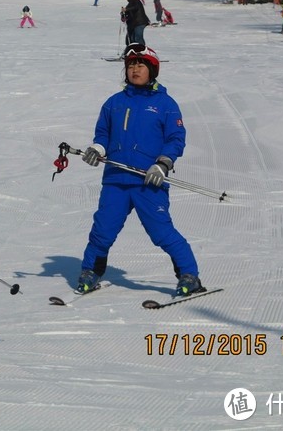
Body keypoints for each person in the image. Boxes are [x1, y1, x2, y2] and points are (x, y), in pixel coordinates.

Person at [78, 43, 201, 297]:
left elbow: (176, 138)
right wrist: (98, 149)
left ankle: (189, 275)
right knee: (103, 230)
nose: (135, 69)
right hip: (116, 180)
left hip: (149, 180)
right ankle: (91, 271)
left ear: (152, 70)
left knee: (161, 232)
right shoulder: (114, 103)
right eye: (131, 65)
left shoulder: (166, 104)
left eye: (141, 65)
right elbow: (102, 133)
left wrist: (163, 163)